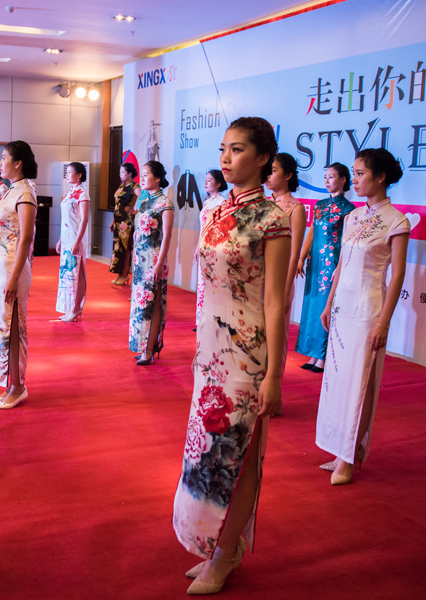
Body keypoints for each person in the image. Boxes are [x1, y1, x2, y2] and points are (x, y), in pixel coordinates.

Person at [173, 116, 290, 595]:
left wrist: (275, 374)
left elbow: (276, 300)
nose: (225, 157)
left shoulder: (273, 218)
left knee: (236, 456)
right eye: (223, 148)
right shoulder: (216, 208)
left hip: (247, 354)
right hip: (211, 350)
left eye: (237, 149)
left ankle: (224, 556)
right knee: (205, 451)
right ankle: (220, 544)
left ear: (263, 158)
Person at [316, 148, 410, 486]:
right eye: (353, 174)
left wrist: (384, 321)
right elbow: (341, 264)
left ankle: (349, 456)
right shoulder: (352, 217)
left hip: (369, 311)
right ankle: (339, 448)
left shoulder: (397, 221)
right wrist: (329, 303)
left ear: (380, 177)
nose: (354, 180)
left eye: (360, 174)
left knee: (361, 382)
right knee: (338, 381)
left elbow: (397, 275)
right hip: (342, 309)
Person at [0, 140, 38, 410]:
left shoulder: (25, 192)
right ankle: (10, 383)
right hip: (0, 266)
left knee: (13, 324)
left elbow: (26, 237)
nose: (0, 163)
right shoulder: (10, 190)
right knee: (1, 324)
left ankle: (18, 387)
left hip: (12, 267)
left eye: (4, 158)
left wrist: (14, 276)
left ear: (18, 163)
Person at [295, 163, 355, 373]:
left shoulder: (348, 209)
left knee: (325, 306)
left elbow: (347, 241)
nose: (327, 181)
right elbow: (312, 232)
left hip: (332, 264)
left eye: (331, 177)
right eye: (325, 177)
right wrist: (302, 258)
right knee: (311, 305)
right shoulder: (319, 205)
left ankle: (323, 355)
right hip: (315, 262)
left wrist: (341, 266)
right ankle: (313, 353)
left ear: (343, 179)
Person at [265, 152, 307, 398]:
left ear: (288, 175)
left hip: (280, 281)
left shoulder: (295, 208)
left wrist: (285, 288)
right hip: (258, 279)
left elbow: (294, 254)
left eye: (273, 171)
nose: (268, 176)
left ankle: (273, 394)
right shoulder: (263, 204)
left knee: (276, 336)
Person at [128, 161, 174, 366]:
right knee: (140, 304)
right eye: (142, 174)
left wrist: (159, 263)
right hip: (140, 260)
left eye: (146, 174)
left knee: (152, 304)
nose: (142, 178)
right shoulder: (144, 202)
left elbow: (167, 237)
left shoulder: (165, 203)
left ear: (157, 178)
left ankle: (149, 349)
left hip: (154, 259)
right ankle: (144, 346)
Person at [55, 162, 90, 322]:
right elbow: (65, 220)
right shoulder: (70, 193)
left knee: (76, 272)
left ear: (79, 175)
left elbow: (84, 220)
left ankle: (76, 309)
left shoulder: (82, 194)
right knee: (67, 274)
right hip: (66, 238)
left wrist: (77, 241)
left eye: (70, 172)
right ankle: (70, 308)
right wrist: (60, 240)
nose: (67, 175)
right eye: (67, 172)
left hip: (76, 238)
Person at [195, 169, 228, 329]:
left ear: (219, 183)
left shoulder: (222, 203)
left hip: (213, 248)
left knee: (212, 284)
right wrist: (197, 247)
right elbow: (202, 228)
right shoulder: (207, 202)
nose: (206, 182)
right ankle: (201, 319)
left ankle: (212, 320)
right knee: (202, 284)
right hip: (203, 246)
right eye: (205, 180)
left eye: (210, 180)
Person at [109, 163, 141, 285]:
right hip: (118, 220)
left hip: (126, 221)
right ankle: (120, 274)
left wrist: (134, 211)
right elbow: (117, 206)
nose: (120, 174)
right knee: (118, 248)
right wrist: (113, 221)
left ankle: (124, 275)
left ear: (130, 173)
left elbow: (145, 199)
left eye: (123, 172)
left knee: (126, 248)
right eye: (120, 172)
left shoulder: (135, 186)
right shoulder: (121, 186)